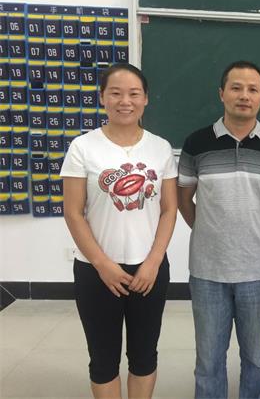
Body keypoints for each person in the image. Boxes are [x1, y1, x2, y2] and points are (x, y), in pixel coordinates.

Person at [61, 63, 178, 399]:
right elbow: (73, 212)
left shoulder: (160, 148)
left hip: (148, 270)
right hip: (96, 271)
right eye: (115, 93)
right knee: (103, 359)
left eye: (134, 94)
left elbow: (169, 209)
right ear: (102, 98)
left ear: (146, 99)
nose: (125, 101)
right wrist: (102, 265)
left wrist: (153, 261)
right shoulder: (83, 147)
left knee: (144, 355)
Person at [177, 60, 260, 399]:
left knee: (256, 359)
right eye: (236, 88)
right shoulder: (197, 143)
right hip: (207, 272)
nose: (244, 95)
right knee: (209, 361)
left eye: (252, 89)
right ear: (221, 93)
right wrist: (211, 234)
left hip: (258, 271)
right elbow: (184, 199)